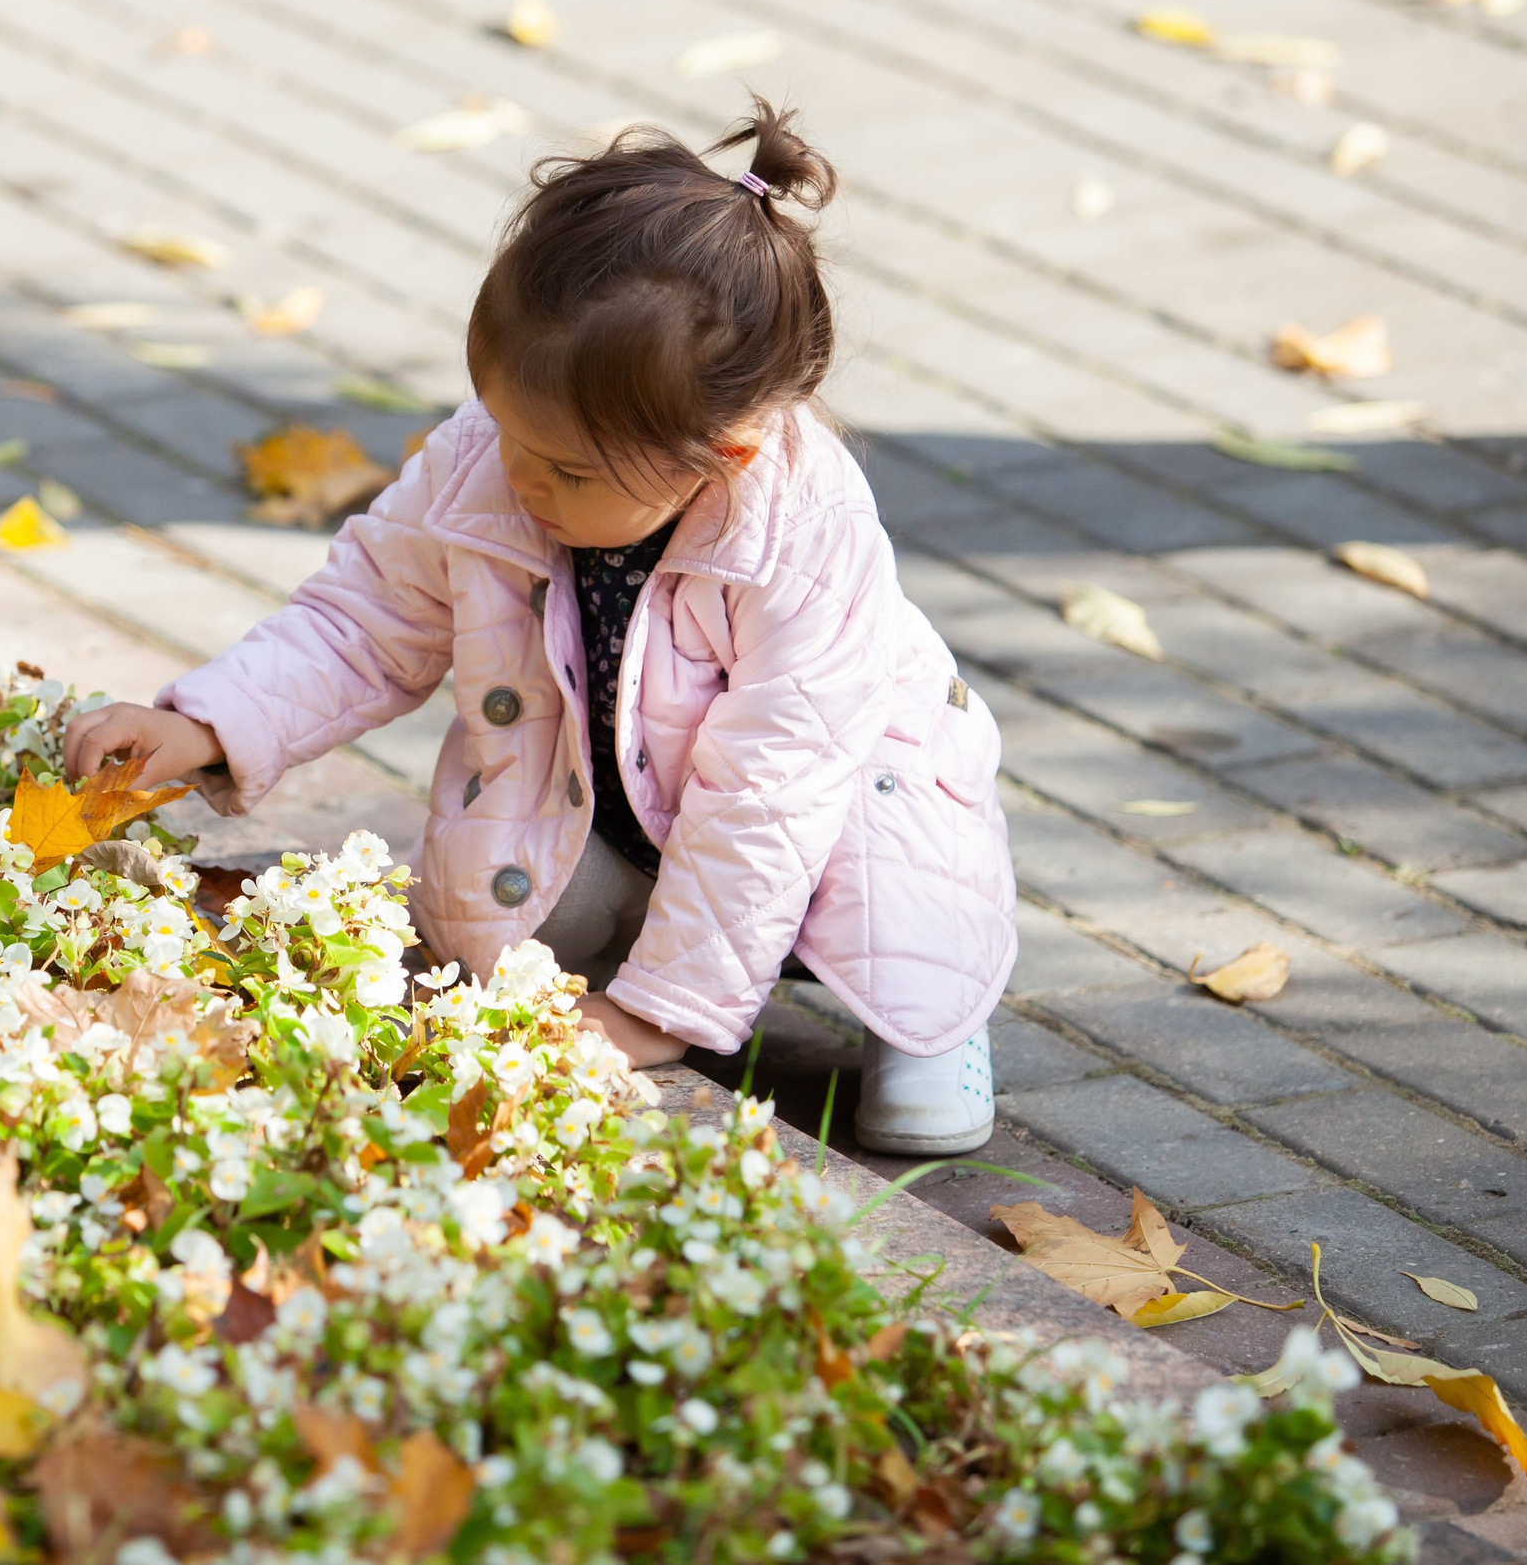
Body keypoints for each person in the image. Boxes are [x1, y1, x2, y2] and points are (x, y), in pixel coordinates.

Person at [62, 100, 1016, 1156]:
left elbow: (769, 796)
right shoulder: (497, 457)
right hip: (612, 799)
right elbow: (369, 613)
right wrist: (210, 725)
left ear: (726, 453)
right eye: (507, 430)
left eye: (567, 470)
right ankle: (647, 946)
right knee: (496, 958)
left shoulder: (802, 538)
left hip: (845, 811)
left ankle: (928, 1018)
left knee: (897, 964)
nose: (520, 479)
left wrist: (660, 1019)